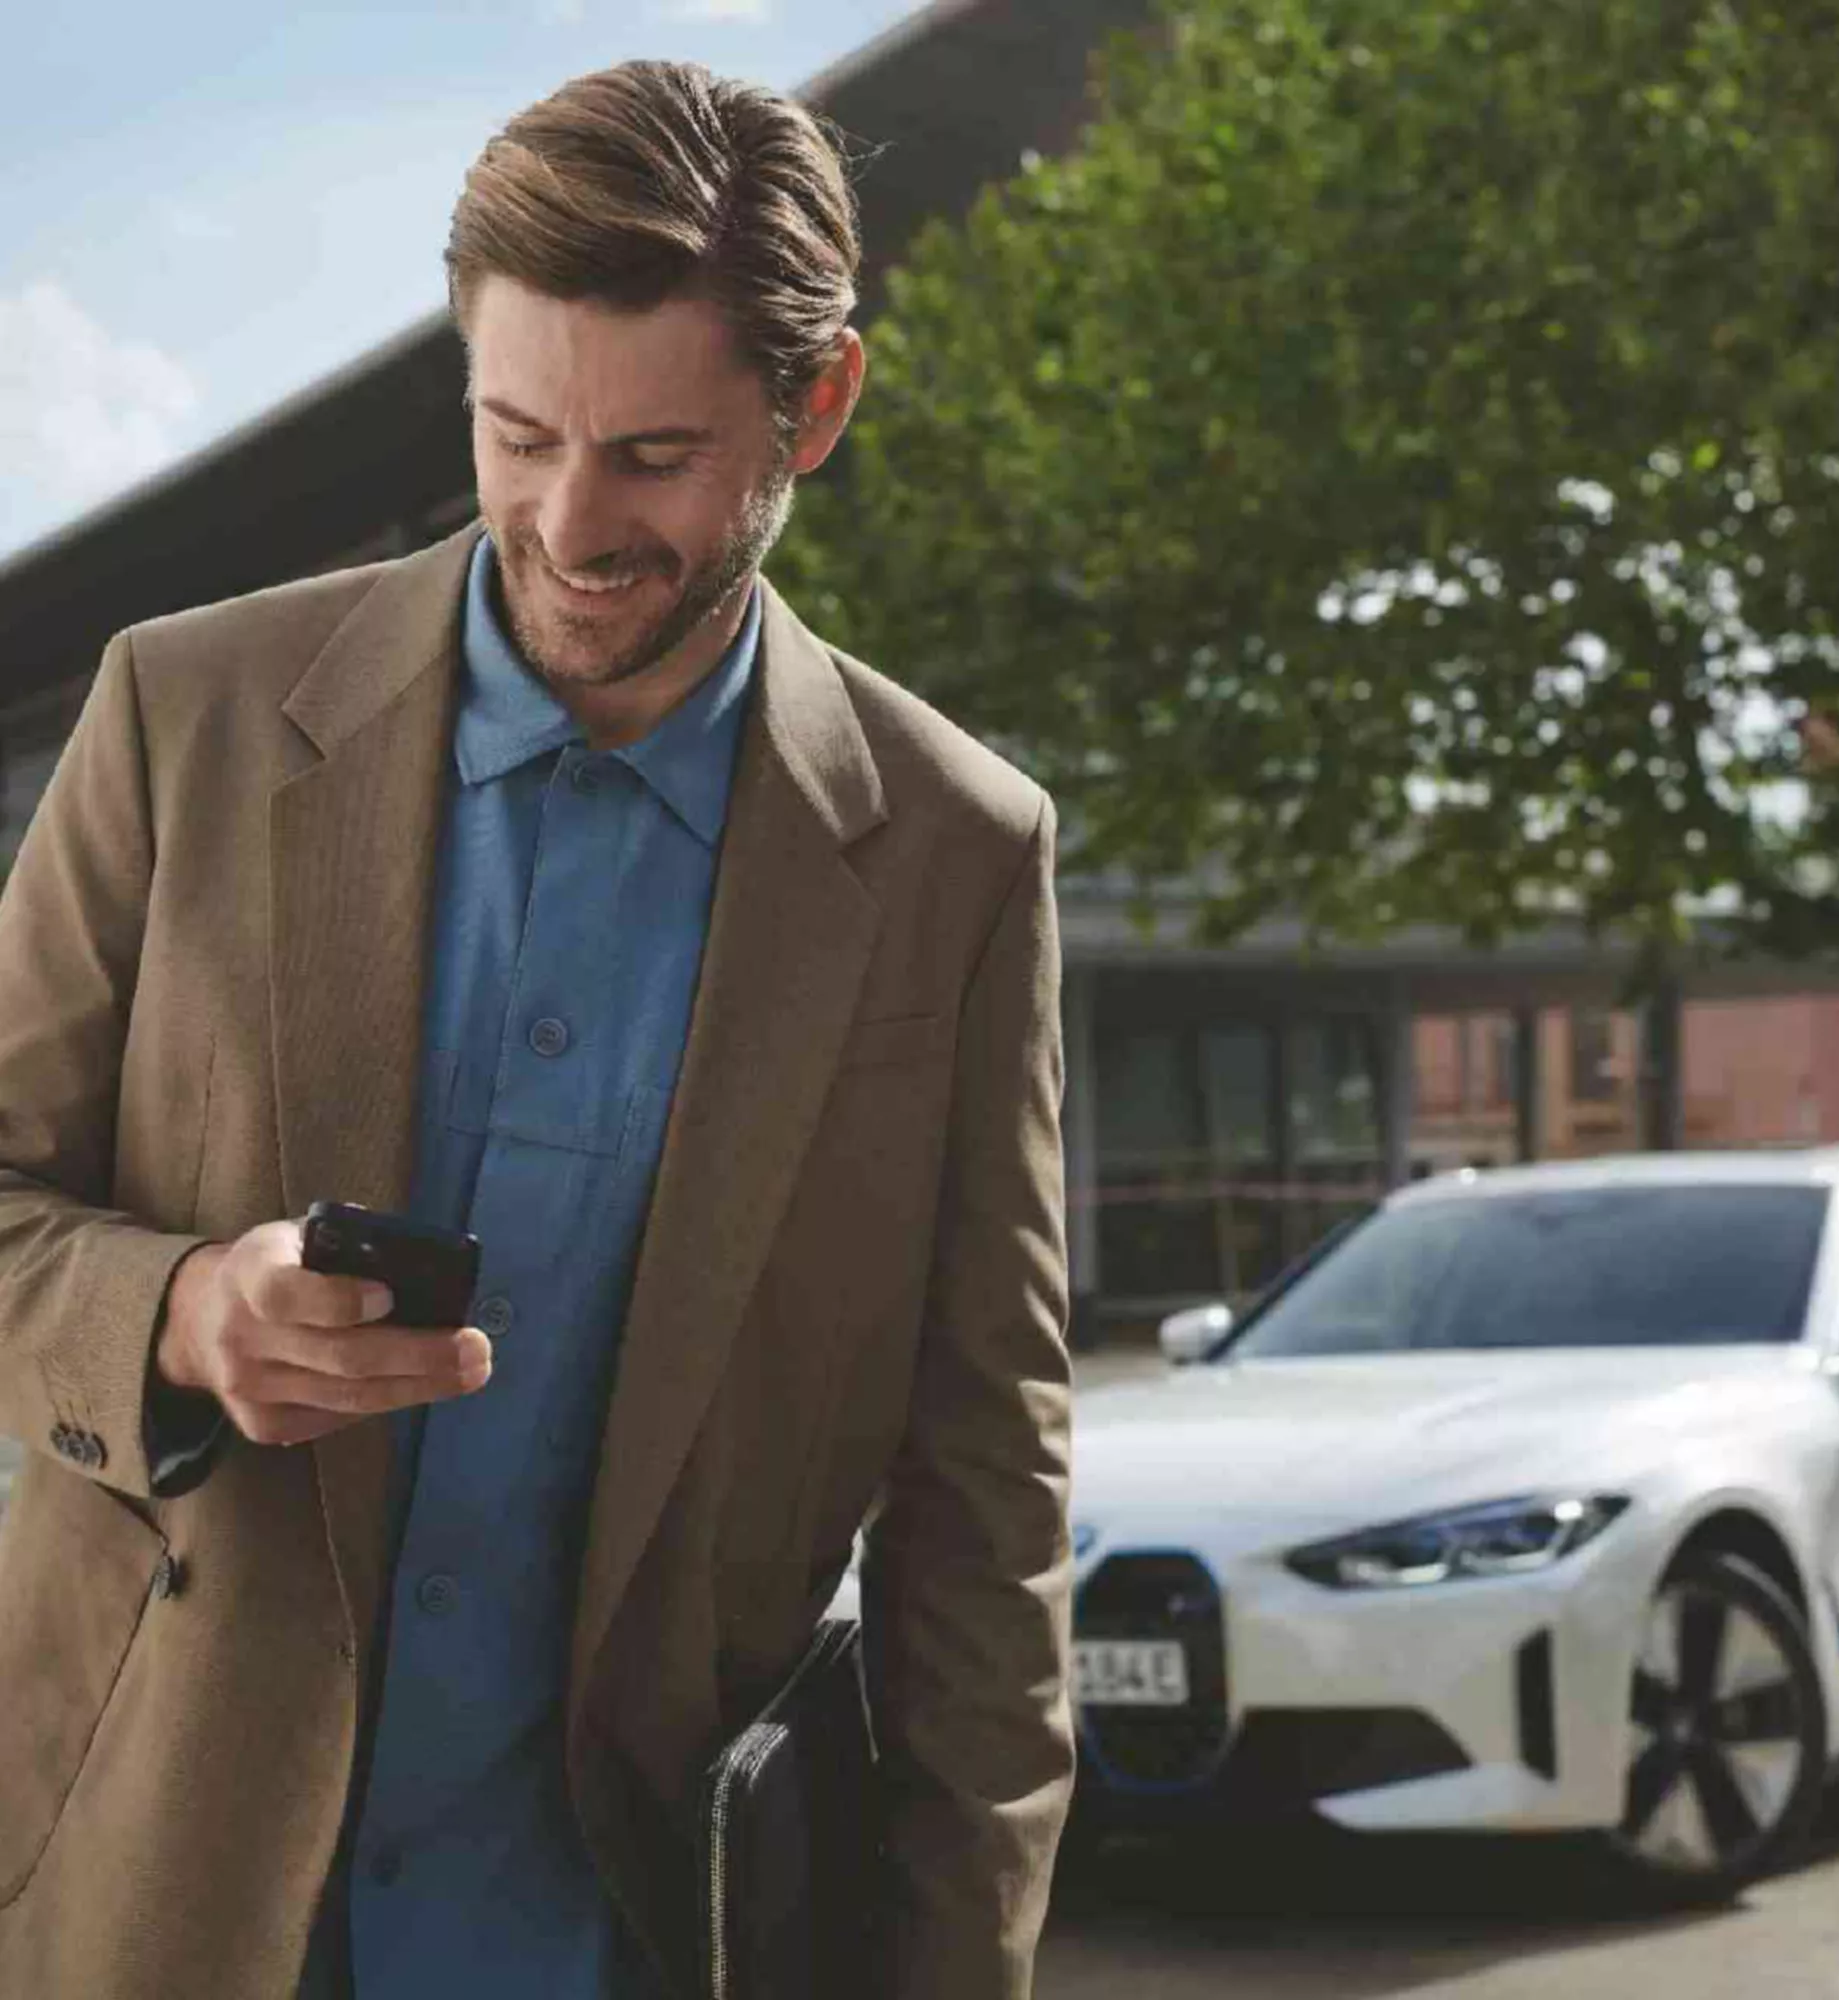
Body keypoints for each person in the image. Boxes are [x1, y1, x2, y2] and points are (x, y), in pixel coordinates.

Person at [0, 59, 1073, 2000]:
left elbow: (986, 1499)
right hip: (150, 1900)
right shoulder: (183, 718)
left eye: (657, 457)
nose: (571, 525)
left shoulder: (955, 859)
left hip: (641, 1935)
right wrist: (172, 1311)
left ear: (814, 407)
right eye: (519, 434)